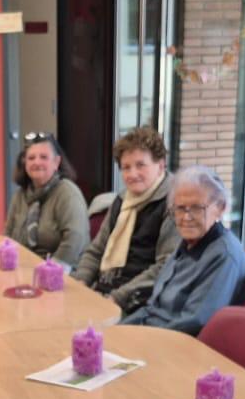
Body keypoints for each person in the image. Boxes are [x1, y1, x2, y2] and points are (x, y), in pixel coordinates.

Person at [119, 166, 245, 335]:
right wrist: (117, 331)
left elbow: (194, 323)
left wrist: (138, 338)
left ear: (220, 207)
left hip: (175, 342)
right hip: (152, 331)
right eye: (180, 208)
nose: (186, 217)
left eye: (196, 208)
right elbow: (151, 309)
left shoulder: (224, 255)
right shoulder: (187, 244)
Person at [71, 126, 178, 313]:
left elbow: (165, 266)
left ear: (161, 165)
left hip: (137, 303)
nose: (132, 174)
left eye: (140, 165)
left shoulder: (174, 203)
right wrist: (81, 282)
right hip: (103, 291)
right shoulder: (122, 200)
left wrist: (116, 298)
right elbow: (95, 251)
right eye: (126, 167)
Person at [3, 132, 89, 267]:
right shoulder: (19, 195)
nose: (37, 162)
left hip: (62, 271)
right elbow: (8, 236)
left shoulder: (67, 192)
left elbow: (74, 241)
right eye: (31, 158)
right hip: (23, 269)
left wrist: (48, 271)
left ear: (56, 162)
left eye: (44, 157)